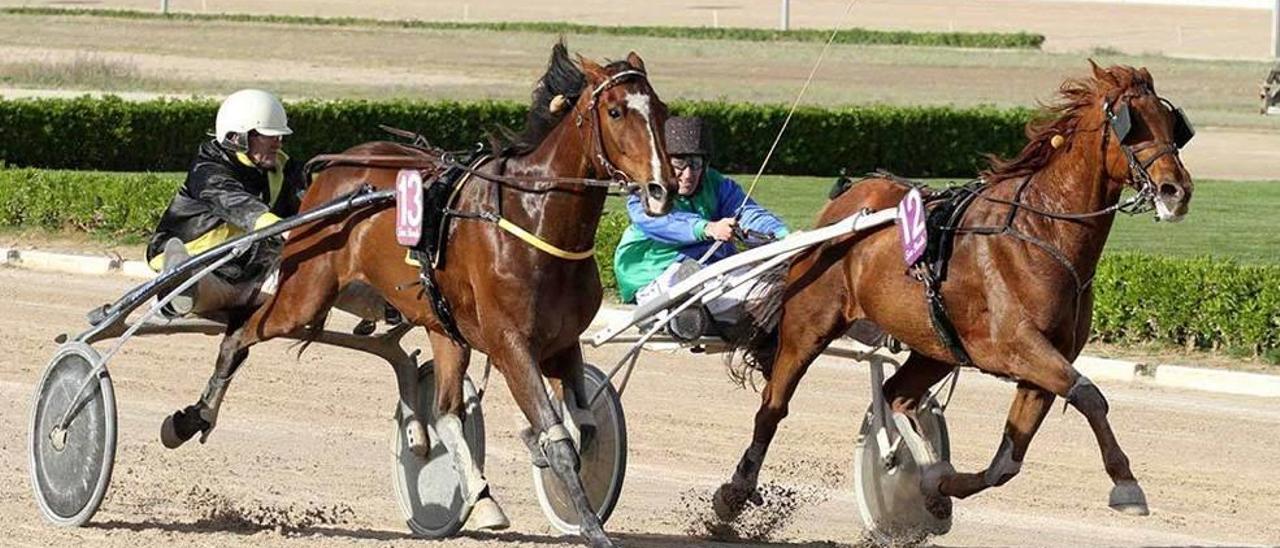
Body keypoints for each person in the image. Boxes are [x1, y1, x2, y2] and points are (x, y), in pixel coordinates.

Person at [613, 116, 790, 335]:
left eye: (695, 164)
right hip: (655, 273)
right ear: (664, 163)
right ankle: (671, 315)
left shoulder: (718, 185)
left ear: (704, 164)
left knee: (767, 286)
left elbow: (749, 214)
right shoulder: (647, 190)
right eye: (679, 164)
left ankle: (705, 317)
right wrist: (708, 228)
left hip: (710, 271)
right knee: (682, 276)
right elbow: (663, 222)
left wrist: (784, 236)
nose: (688, 175)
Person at [146, 89, 303, 320]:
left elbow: (308, 200)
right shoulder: (208, 171)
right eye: (268, 135)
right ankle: (176, 287)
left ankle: (373, 302)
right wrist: (286, 229)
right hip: (205, 266)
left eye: (279, 136)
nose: (278, 143)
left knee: (316, 273)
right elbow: (239, 205)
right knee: (198, 279)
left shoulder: (281, 168)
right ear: (237, 136)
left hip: (252, 272)